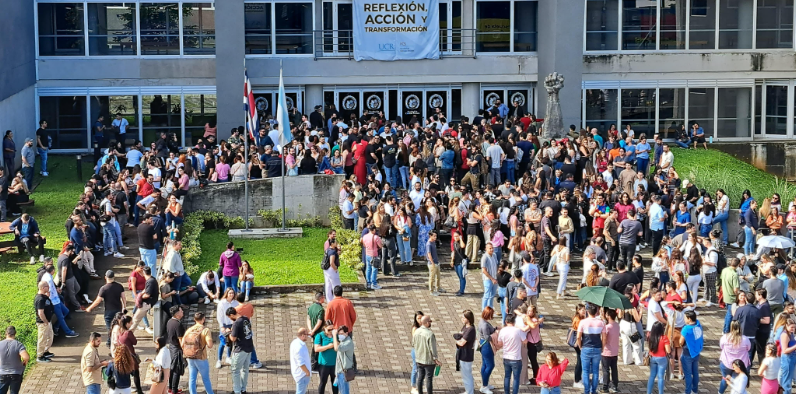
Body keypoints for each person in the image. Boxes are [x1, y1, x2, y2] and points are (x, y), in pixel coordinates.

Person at [85, 270, 126, 343]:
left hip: (109, 312)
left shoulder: (103, 288)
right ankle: (116, 341)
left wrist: (89, 308)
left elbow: (98, 300)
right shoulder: (119, 286)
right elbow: (123, 297)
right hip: (118, 310)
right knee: (118, 327)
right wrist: (124, 307)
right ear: (114, 277)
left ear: (105, 277)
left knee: (110, 328)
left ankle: (110, 342)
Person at [182, 312, 215, 394]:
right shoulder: (205, 330)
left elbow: (182, 344)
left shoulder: (189, 329)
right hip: (201, 357)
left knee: (192, 378)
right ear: (203, 319)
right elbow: (210, 345)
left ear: (194, 319)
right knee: (206, 379)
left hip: (190, 356)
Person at [577, 303, 605, 394]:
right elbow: (604, 337)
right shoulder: (601, 322)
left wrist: (580, 345)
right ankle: (593, 391)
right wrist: (603, 347)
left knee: (585, 371)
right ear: (596, 312)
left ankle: (586, 391)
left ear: (588, 312)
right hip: (597, 348)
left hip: (586, 347)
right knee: (596, 371)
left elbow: (578, 336)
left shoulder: (583, 322)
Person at [227, 307, 253, 394]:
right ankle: (243, 389)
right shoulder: (246, 318)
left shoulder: (236, 323)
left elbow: (233, 338)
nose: (230, 319)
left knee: (235, 370)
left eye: (229, 317)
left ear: (231, 315)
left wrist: (229, 333)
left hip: (240, 349)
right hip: (249, 347)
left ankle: (237, 391)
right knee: (245, 369)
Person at [719, 321, 751, 394]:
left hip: (726, 362)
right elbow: (748, 348)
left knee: (725, 378)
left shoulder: (724, 338)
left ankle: (720, 392)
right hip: (740, 364)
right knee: (737, 381)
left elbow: (721, 347)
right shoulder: (745, 339)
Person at [498, 313, 525, 394]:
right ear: (514, 321)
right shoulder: (518, 330)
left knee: (507, 377)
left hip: (506, 357)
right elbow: (525, 341)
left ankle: (507, 392)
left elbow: (499, 343)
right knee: (516, 379)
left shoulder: (502, 330)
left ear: (506, 321)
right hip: (516, 358)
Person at [413, 315, 441, 394]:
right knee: (429, 379)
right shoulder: (430, 334)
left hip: (419, 359)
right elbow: (433, 349)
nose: (431, 322)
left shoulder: (416, 331)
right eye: (430, 321)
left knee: (420, 378)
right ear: (426, 323)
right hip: (428, 360)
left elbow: (413, 344)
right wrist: (436, 359)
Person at [680, 310, 703, 394]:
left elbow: (681, 341)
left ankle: (688, 391)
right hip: (696, 352)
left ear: (689, 319)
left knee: (688, 374)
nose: (684, 319)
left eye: (685, 317)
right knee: (695, 372)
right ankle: (695, 390)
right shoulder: (698, 324)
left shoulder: (686, 328)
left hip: (687, 353)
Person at [0, 326, 29, 394]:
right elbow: (26, 357)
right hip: (16, 373)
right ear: (15, 334)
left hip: (2, 373)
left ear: (6, 333)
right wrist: (24, 363)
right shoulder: (18, 344)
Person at [215, 289, 238, 369]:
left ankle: (228, 357)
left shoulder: (236, 303)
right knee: (222, 342)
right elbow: (219, 316)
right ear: (226, 294)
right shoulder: (222, 303)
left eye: (232, 293)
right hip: (224, 324)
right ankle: (219, 360)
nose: (231, 294)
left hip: (232, 324)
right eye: (230, 293)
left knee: (230, 342)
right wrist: (222, 326)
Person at [165, 305, 185, 394]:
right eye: (181, 311)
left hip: (171, 346)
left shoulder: (169, 321)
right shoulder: (178, 324)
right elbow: (180, 339)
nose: (182, 312)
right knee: (177, 369)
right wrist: (184, 350)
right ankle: (174, 390)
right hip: (177, 348)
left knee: (172, 368)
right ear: (177, 314)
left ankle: (171, 388)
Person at [456, 310, 477, 394]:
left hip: (466, 355)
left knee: (467, 375)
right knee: (465, 375)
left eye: (463, 317)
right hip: (463, 354)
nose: (462, 319)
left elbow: (462, 342)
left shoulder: (470, 329)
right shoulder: (466, 326)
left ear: (468, 318)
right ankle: (468, 390)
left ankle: (470, 391)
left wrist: (457, 341)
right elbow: (461, 335)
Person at [477, 307, 497, 394]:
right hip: (486, 345)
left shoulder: (482, 321)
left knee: (485, 364)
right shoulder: (485, 325)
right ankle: (484, 386)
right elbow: (487, 337)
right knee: (490, 365)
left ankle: (485, 383)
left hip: (483, 344)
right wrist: (495, 334)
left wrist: (495, 328)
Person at [646, 321, 669, 394]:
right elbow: (668, 350)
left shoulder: (650, 336)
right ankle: (660, 392)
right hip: (662, 358)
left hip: (653, 357)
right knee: (660, 377)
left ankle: (649, 392)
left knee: (652, 376)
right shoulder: (664, 338)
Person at [34, 281, 54, 363]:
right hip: (43, 323)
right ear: (42, 288)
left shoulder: (44, 297)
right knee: (42, 339)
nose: (49, 287)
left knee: (50, 336)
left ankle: (45, 351)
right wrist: (45, 321)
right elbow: (40, 313)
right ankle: (40, 356)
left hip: (48, 321)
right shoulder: (40, 299)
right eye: (47, 286)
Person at [600, 308, 620, 393]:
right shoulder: (617, 325)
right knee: (614, 369)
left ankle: (605, 387)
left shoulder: (607, 327)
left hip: (606, 351)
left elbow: (604, 338)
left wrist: (602, 347)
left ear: (608, 316)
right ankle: (615, 386)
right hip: (615, 351)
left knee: (606, 370)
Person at [332, 325, 354, 394]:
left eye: (342, 334)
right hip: (340, 372)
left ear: (346, 333)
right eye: (339, 334)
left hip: (343, 372)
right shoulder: (343, 341)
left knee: (344, 391)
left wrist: (334, 336)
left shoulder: (348, 342)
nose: (340, 335)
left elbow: (337, 348)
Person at [721, 259, 741, 333]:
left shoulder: (725, 270)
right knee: (730, 314)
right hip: (732, 297)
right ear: (738, 265)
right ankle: (726, 331)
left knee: (728, 313)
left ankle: (725, 329)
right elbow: (736, 289)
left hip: (725, 294)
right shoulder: (734, 274)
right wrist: (739, 294)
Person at [290, 328, 312, 394]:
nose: (308, 336)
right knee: (300, 392)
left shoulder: (295, 342)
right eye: (307, 334)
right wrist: (307, 372)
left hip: (300, 373)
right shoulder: (299, 348)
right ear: (303, 335)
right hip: (302, 375)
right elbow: (301, 363)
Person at [778, 319, 796, 393]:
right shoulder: (784, 335)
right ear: (786, 326)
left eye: (794, 327)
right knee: (787, 381)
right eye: (791, 327)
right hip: (787, 358)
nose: (793, 329)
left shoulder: (790, 334)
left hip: (792, 357)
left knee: (785, 378)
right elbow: (785, 350)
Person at [481, 242, 498, 310]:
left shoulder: (494, 255)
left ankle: (490, 309)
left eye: (492, 248)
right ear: (486, 249)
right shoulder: (484, 257)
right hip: (487, 279)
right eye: (490, 248)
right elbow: (484, 270)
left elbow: (496, 265)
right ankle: (484, 310)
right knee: (487, 295)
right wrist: (491, 278)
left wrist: (496, 277)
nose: (491, 250)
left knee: (492, 296)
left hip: (495, 278)